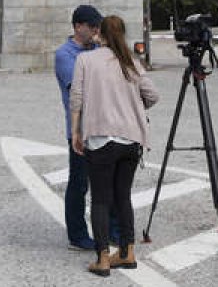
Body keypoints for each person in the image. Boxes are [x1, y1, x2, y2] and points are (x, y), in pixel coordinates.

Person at [70, 14, 159, 277]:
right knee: (123, 196)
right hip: (131, 139)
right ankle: (127, 252)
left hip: (101, 138)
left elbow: (77, 99)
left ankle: (102, 258)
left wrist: (76, 130)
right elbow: (153, 95)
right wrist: (134, 108)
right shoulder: (131, 62)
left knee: (100, 199)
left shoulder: (85, 60)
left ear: (100, 34)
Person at [54, 4, 105, 252]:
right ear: (77, 26)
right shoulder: (65, 54)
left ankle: (112, 230)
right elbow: (79, 89)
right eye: (92, 26)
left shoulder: (99, 49)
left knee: (107, 182)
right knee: (79, 183)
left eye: (98, 27)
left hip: (104, 126)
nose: (96, 31)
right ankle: (77, 235)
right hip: (80, 129)